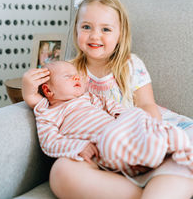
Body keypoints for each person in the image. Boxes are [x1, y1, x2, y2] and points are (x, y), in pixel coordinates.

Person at [22, 0, 193, 199]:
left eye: (105, 29)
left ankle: (160, 180)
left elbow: (147, 105)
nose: (95, 36)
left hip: (138, 132)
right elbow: (46, 108)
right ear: (75, 30)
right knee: (61, 172)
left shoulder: (130, 65)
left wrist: (148, 132)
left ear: (120, 35)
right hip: (98, 148)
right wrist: (29, 91)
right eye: (86, 27)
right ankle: (140, 191)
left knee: (179, 153)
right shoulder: (68, 72)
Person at [34, 60, 193, 177]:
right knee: (112, 140)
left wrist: (127, 118)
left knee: (139, 116)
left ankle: (177, 146)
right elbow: (50, 141)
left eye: (77, 76)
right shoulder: (47, 112)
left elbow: (112, 106)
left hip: (121, 129)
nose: (76, 78)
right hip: (103, 144)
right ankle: (158, 152)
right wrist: (77, 146)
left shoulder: (89, 97)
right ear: (48, 90)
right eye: (68, 76)